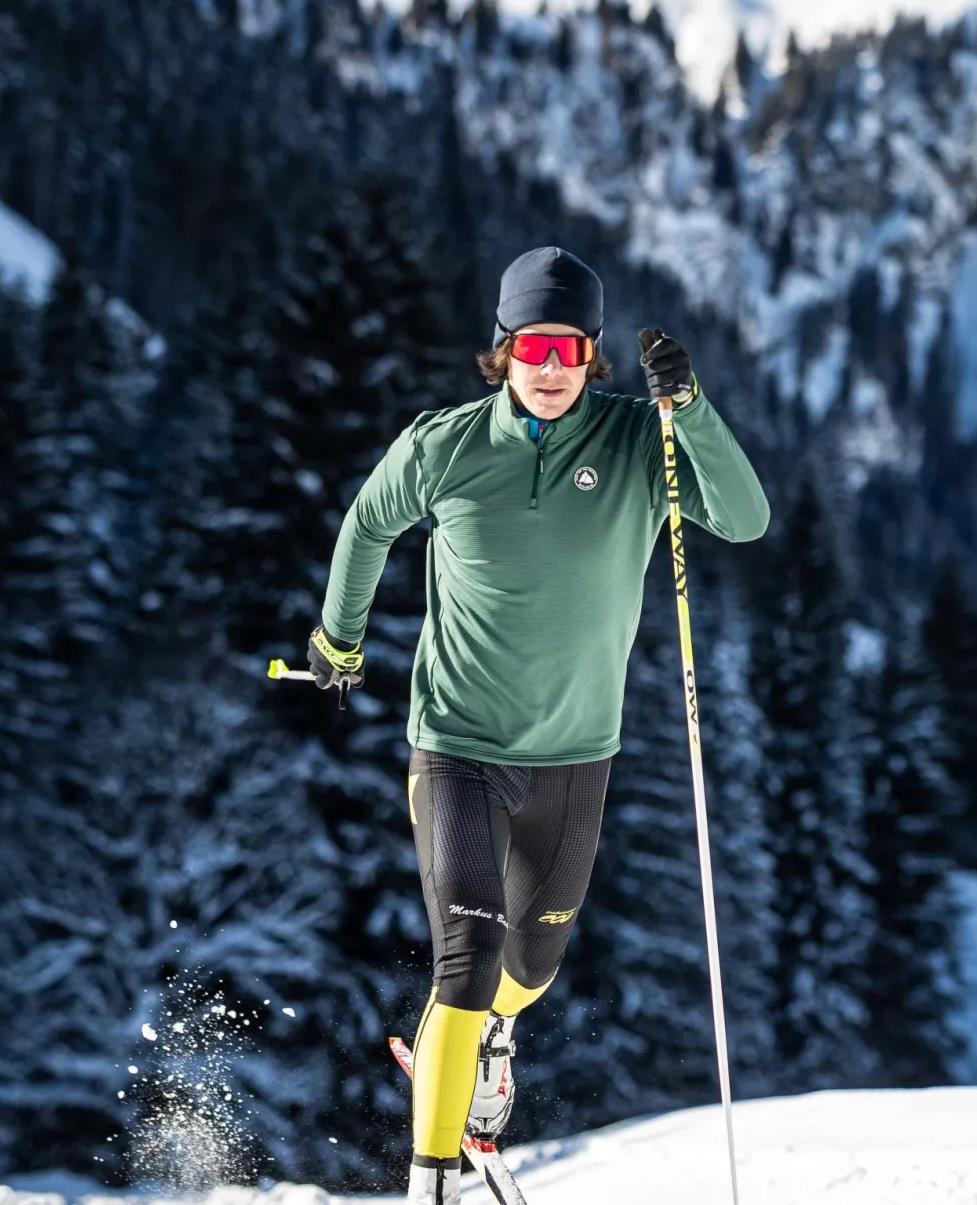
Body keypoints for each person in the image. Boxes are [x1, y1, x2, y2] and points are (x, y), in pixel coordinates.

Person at [307, 246, 769, 1204]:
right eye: (534, 345)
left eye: (571, 346)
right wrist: (336, 639)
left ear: (592, 353)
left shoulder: (642, 440)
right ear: (504, 348)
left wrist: (692, 411)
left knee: (530, 962)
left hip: (576, 754)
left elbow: (745, 517)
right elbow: (366, 523)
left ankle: (491, 1036)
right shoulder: (446, 445)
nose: (552, 366)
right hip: (456, 746)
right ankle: (430, 1178)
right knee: (465, 958)